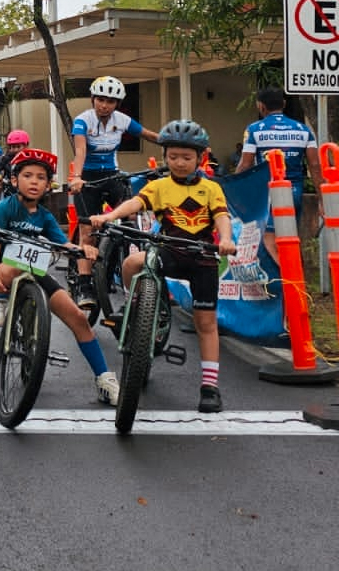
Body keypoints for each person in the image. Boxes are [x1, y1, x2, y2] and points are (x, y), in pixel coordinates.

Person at [89, 119, 236, 413]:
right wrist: (110, 216)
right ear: (165, 156)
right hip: (167, 251)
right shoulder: (158, 186)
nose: (179, 163)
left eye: (186, 157)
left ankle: (209, 387)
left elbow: (222, 218)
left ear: (200, 158)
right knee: (132, 262)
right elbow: (134, 204)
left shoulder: (211, 189)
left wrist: (228, 240)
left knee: (206, 323)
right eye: (173, 157)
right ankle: (137, 308)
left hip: (202, 258)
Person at [0, 148, 120, 406]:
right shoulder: (4, 208)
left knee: (79, 318)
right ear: (14, 180)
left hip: (37, 271)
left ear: (48, 184)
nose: (34, 181)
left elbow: (63, 245)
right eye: (28, 175)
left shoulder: (45, 217)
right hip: (6, 271)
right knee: (11, 267)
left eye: (41, 177)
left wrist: (82, 249)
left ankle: (104, 378)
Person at [67, 75, 160, 309]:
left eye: (110, 101)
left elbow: (149, 135)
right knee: (87, 231)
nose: (104, 105)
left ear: (117, 103)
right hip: (87, 179)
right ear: (93, 99)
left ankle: (126, 263)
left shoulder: (122, 120)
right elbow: (80, 151)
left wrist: (180, 143)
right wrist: (76, 177)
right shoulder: (82, 121)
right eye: (100, 99)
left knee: (131, 216)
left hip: (112, 175)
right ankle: (85, 285)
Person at [234, 86, 322, 219]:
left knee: (269, 237)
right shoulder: (304, 130)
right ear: (284, 104)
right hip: (294, 192)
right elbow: (315, 165)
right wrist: (322, 199)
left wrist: (234, 193)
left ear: (260, 106)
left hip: (265, 193)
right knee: (291, 235)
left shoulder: (254, 130)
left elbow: (245, 165)